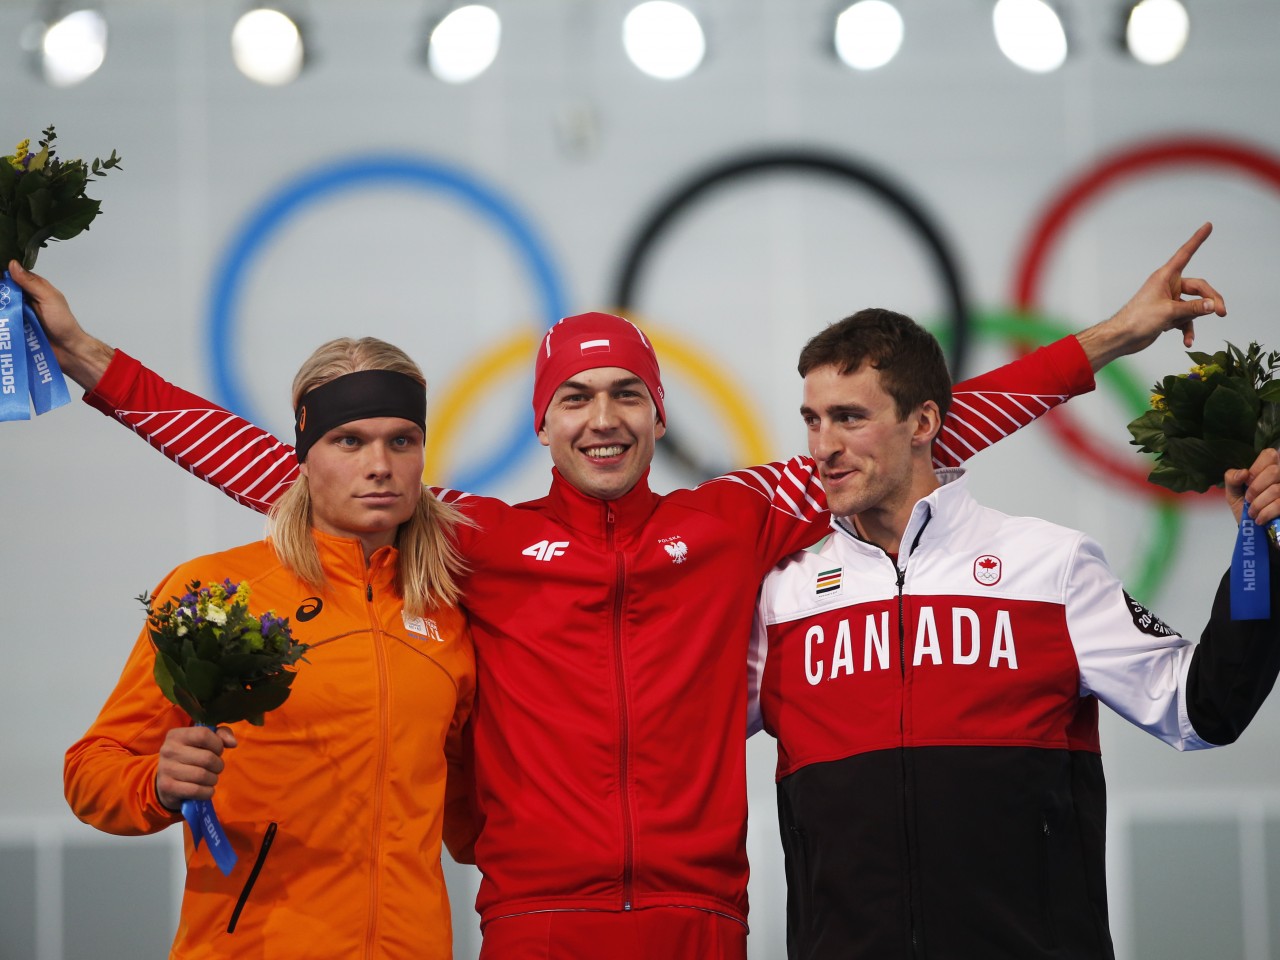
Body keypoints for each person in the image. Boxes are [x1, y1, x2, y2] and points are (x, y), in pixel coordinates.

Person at [12, 223, 1226, 960]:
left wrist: (1105, 342)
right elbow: (287, 465)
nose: (602, 418)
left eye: (624, 396)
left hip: (701, 917)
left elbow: (923, 433)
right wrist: (91, 365)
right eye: (575, 399)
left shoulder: (733, 516)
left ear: (658, 412)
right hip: (539, 920)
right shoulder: (471, 536)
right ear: (541, 423)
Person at [748, 307, 1280, 960]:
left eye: (849, 418)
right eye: (813, 419)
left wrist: (1267, 553)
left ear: (924, 423)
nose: (821, 447)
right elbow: (662, 732)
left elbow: (1202, 708)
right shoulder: (780, 598)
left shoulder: (1047, 564)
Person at [63, 338, 476, 960]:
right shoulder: (218, 593)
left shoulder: (449, 617)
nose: (380, 465)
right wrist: (157, 783)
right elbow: (92, 769)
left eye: (401, 441)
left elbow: (476, 817)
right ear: (305, 459)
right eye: (349, 441)